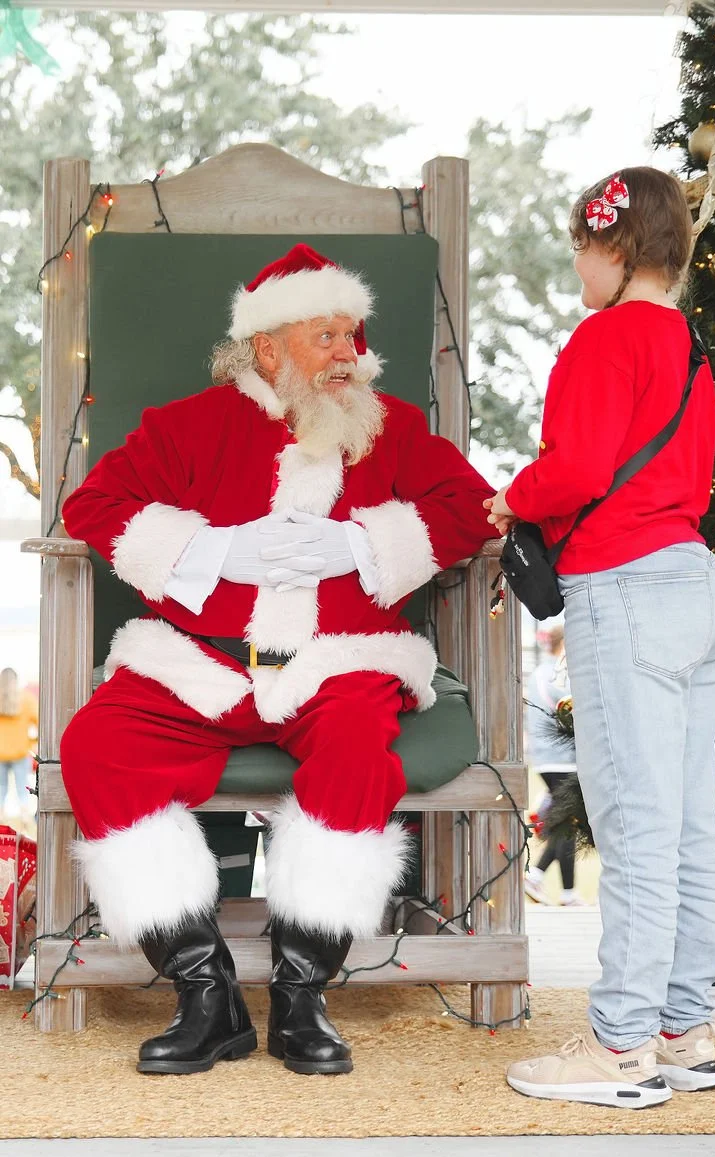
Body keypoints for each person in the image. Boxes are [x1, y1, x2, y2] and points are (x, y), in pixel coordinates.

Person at [59, 243, 497, 1076]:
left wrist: (359, 544)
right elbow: (95, 505)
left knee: (357, 755)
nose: (349, 353)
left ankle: (302, 995)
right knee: (97, 746)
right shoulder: (186, 425)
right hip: (200, 666)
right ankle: (205, 994)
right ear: (266, 347)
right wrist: (217, 551)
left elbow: (473, 507)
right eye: (326, 335)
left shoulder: (392, 427)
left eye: (352, 335)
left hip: (338, 665)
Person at [485, 168, 715, 1109]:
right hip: (696, 584)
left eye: (582, 250)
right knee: (682, 827)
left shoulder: (605, 336)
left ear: (619, 247)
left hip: (627, 587)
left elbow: (580, 466)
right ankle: (683, 1028)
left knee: (634, 826)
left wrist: (515, 494)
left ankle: (621, 1048)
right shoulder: (689, 344)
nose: (577, 270)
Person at [523, 624, 582, 907]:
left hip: (547, 758)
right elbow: (571, 709)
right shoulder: (559, 673)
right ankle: (549, 882)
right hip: (563, 759)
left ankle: (548, 881)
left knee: (565, 820)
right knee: (568, 822)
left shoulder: (539, 674)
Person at [0, 669, 38, 823]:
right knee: (22, 787)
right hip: (20, 752)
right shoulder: (26, 699)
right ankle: (24, 819)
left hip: (0, 753)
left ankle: (1, 820)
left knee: (1, 788)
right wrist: (32, 742)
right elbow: (40, 722)